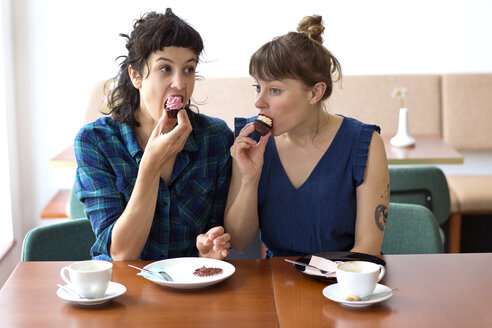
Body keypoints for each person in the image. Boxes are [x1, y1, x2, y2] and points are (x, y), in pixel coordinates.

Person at [224, 15, 389, 258]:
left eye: (275, 90)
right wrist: (249, 180)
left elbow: (367, 250)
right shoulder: (249, 141)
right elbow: (238, 241)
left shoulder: (364, 144)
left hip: (344, 280)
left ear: (315, 92)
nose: (259, 102)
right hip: (277, 282)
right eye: (258, 87)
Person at [74, 9, 233, 261]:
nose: (180, 84)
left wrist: (209, 248)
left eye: (189, 69)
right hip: (124, 286)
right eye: (165, 69)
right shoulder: (95, 142)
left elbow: (216, 234)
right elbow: (121, 254)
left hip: (190, 283)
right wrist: (150, 165)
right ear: (136, 75)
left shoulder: (215, 138)